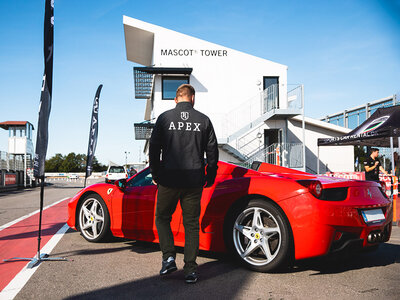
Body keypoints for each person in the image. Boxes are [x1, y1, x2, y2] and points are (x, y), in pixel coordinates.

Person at [149, 84, 218, 284]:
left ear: (176, 99)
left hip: (169, 178)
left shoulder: (164, 118)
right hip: (194, 180)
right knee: (191, 225)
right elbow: (212, 152)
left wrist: (155, 173)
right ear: (193, 98)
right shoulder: (203, 120)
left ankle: (169, 257)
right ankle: (190, 270)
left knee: (162, 217)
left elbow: (154, 149)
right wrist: (210, 176)